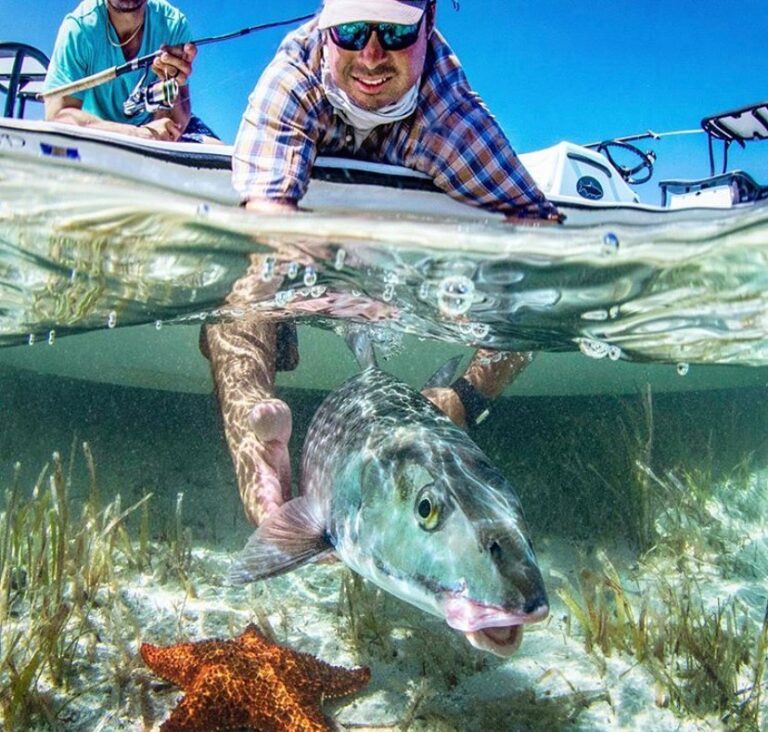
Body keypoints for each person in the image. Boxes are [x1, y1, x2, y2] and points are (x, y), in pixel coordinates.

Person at [203, 0, 561, 527]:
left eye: (394, 31)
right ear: (324, 26)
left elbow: (542, 244)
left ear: (429, 21)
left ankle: (459, 400)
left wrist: (465, 391)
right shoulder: (291, 80)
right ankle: (261, 467)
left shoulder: (451, 118)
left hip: (414, 269)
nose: (371, 55)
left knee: (535, 290)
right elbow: (268, 235)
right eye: (350, 29)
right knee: (251, 287)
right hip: (305, 256)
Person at [43, 0, 217, 143]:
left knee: (224, 157)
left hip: (156, 130)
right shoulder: (79, 29)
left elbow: (180, 115)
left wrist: (171, 83)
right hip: (97, 130)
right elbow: (59, 116)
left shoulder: (174, 25)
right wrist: (137, 134)